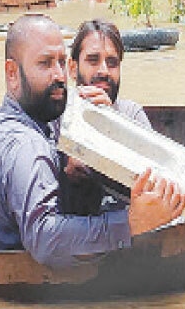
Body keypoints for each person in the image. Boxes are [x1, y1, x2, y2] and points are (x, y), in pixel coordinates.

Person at [0, 14, 185, 269]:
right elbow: (45, 238)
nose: (59, 75)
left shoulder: (45, 121)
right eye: (45, 63)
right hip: (19, 289)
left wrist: (111, 129)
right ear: (12, 73)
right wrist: (131, 223)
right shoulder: (26, 143)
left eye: (60, 62)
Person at [60, 19, 151, 215]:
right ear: (72, 68)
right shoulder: (55, 118)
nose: (103, 71)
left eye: (112, 63)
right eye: (93, 60)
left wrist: (111, 125)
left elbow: (154, 188)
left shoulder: (131, 115)